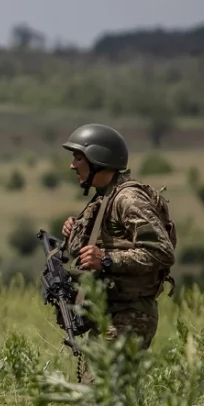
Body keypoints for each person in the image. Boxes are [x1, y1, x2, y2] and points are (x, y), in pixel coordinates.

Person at [58, 123, 176, 388]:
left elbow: (162, 251)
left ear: (99, 161)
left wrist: (108, 260)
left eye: (79, 158)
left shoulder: (128, 199)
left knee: (98, 402)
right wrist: (74, 232)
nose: (72, 165)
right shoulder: (104, 198)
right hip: (111, 315)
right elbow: (92, 251)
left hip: (131, 315)